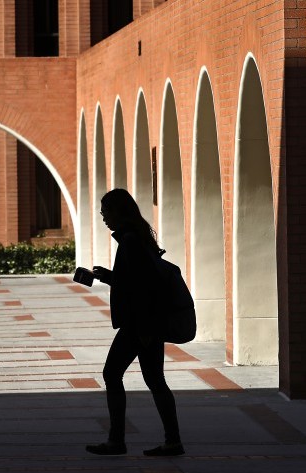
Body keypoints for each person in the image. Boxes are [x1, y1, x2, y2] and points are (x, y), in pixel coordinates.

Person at [85, 188, 184, 457]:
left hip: (139, 324)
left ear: (119, 212)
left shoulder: (130, 241)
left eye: (107, 212)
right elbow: (135, 282)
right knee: (154, 379)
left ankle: (117, 441)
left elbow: (143, 288)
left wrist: (144, 330)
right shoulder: (137, 237)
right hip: (145, 323)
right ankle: (172, 441)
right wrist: (108, 276)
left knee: (112, 374)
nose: (104, 218)